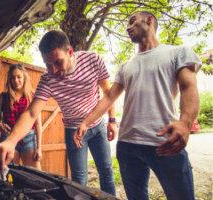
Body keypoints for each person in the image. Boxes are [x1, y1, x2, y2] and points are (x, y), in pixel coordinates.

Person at [74, 11, 201, 200]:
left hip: (164, 141)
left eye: (132, 21)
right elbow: (109, 98)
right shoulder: (126, 66)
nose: (127, 27)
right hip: (128, 145)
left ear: (149, 20)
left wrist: (186, 122)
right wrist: (86, 122)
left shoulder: (177, 52)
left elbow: (188, 87)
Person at [0, 30, 117, 196]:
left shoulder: (92, 60)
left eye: (58, 62)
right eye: (48, 65)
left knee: (106, 171)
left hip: (98, 125)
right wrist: (11, 141)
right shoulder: (47, 79)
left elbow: (108, 92)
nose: (54, 70)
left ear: (70, 52)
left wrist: (112, 120)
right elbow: (31, 114)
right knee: (78, 180)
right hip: (73, 131)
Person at [0, 64, 42, 169]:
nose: (16, 80)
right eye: (12, 77)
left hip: (29, 138)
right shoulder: (3, 97)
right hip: (8, 136)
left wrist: (39, 148)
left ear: (24, 78)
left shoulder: (32, 97)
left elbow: (38, 124)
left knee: (35, 174)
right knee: (10, 172)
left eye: (19, 77)